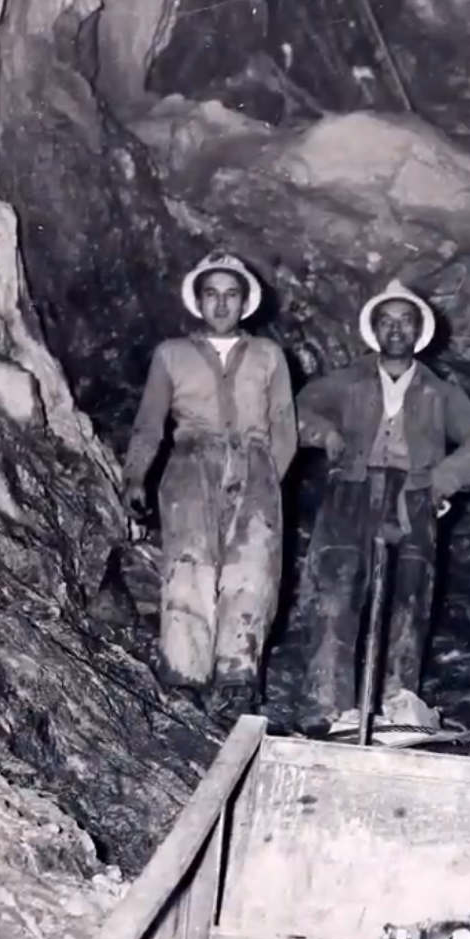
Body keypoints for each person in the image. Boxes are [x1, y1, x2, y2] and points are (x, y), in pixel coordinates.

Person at [294, 279, 470, 736]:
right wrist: (326, 435)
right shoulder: (346, 382)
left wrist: (443, 480)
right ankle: (326, 706)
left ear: (418, 330)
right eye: (386, 321)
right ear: (373, 329)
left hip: (413, 497)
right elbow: (294, 409)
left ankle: (397, 705)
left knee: (409, 597)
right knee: (335, 591)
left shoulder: (439, 392)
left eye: (405, 321)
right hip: (350, 491)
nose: (395, 329)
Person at [121, 250, 296, 720]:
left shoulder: (268, 355)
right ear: (197, 301)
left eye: (231, 295)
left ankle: (237, 679)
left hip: (255, 464)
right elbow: (150, 423)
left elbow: (284, 425)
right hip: (190, 463)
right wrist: (136, 475)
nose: (221, 304)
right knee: (188, 566)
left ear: (245, 302)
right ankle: (185, 675)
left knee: (252, 569)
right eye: (212, 294)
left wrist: (267, 482)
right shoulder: (171, 354)